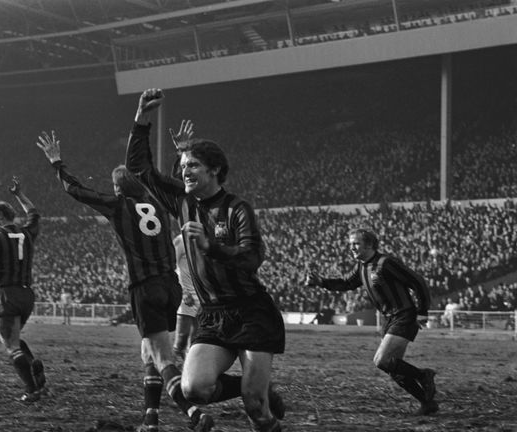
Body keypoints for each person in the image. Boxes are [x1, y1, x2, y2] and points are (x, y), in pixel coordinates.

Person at [125, 89, 286, 432]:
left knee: (257, 409)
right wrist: (142, 117)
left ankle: (259, 399)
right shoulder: (182, 203)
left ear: (215, 170)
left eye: (193, 165)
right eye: (183, 166)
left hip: (251, 312)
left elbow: (252, 257)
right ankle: (253, 389)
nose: (184, 172)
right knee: (193, 388)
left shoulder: (237, 208)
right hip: (212, 315)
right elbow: (139, 169)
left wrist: (211, 246)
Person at [36, 130, 213, 432]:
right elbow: (175, 189)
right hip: (172, 288)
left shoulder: (118, 205)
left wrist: (57, 163)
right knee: (150, 352)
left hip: (145, 288)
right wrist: (179, 153)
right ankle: (151, 418)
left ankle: (193, 413)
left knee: (161, 357)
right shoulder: (157, 204)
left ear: (119, 188)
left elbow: (76, 190)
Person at [305, 228, 439, 416]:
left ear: (369, 244)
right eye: (350, 243)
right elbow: (346, 283)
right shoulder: (361, 266)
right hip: (389, 319)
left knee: (381, 360)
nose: (351, 247)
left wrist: (422, 312)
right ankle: (427, 403)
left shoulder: (386, 263)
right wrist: (321, 282)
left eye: (356, 243)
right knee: (392, 367)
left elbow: (417, 281)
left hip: (404, 315)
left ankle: (423, 375)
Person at [0, 177, 47, 402]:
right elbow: (34, 213)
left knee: (11, 345)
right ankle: (34, 368)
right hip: (27, 295)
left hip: (7, 294)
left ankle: (31, 390)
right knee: (16, 338)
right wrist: (19, 194)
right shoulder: (27, 232)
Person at [172, 234, 199, 363]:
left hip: (202, 295)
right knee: (182, 337)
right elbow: (171, 267)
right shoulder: (180, 241)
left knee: (197, 338)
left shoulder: (205, 238)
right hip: (187, 294)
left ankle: (188, 368)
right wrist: (182, 291)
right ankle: (170, 369)